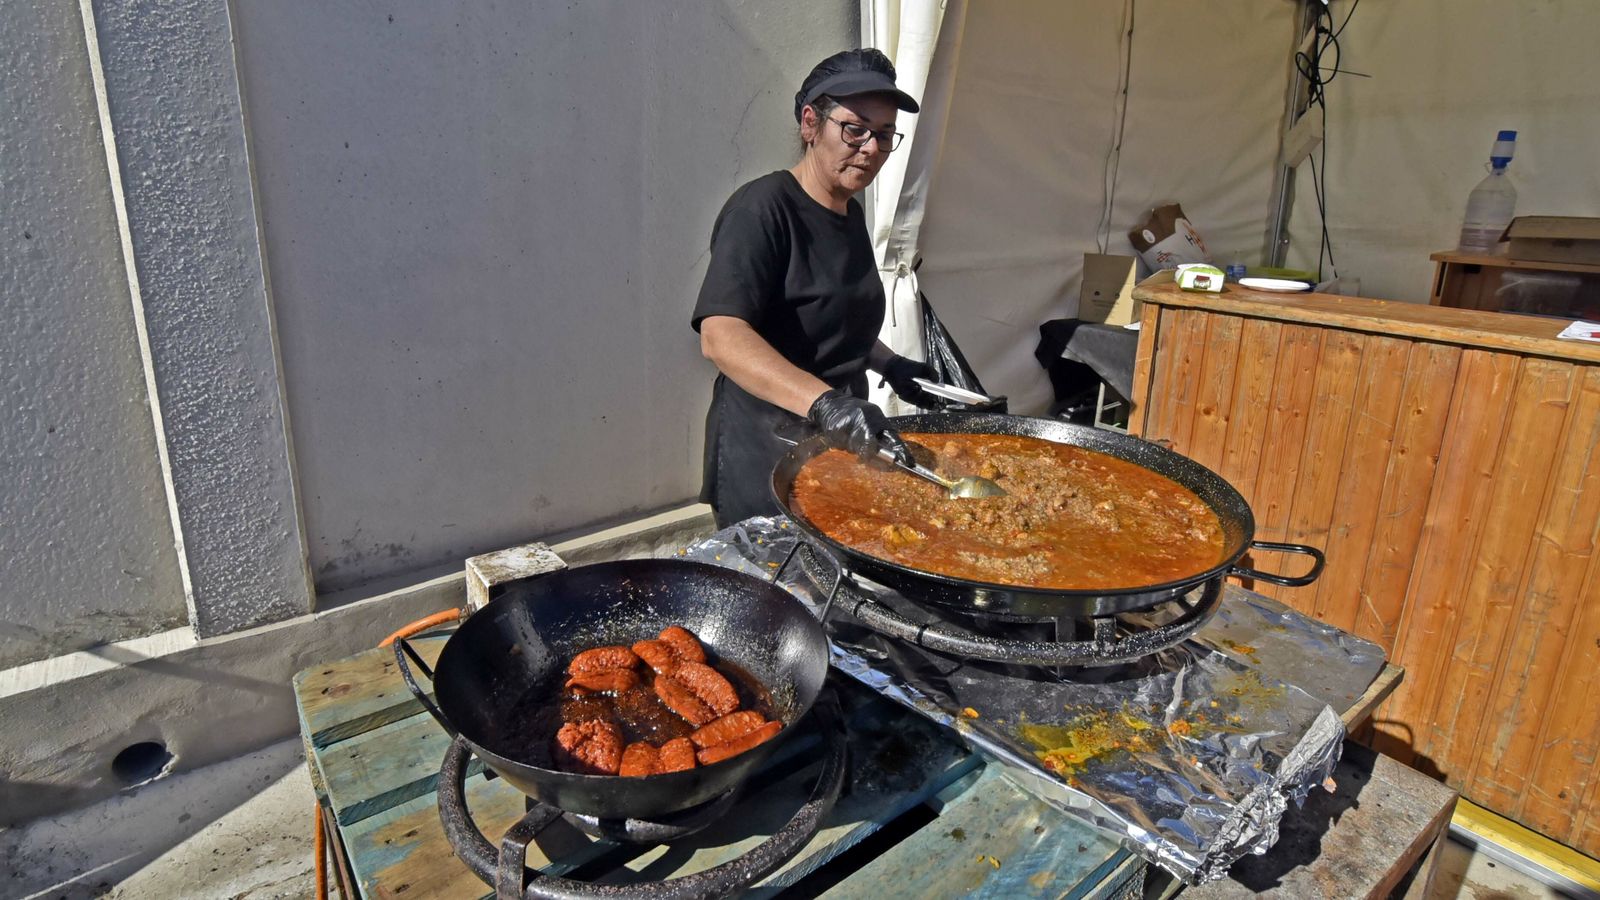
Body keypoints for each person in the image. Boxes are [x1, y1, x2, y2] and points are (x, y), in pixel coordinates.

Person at [692, 48, 938, 528]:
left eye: (885, 135)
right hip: (766, 450)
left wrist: (892, 364)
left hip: (834, 446)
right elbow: (720, 336)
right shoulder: (762, 209)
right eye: (855, 129)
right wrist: (826, 402)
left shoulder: (850, 213)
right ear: (810, 123)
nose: (870, 147)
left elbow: (834, 319)